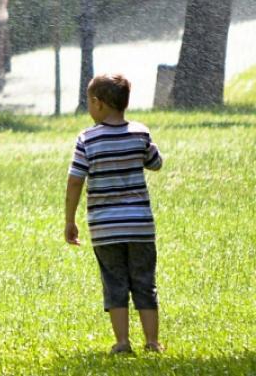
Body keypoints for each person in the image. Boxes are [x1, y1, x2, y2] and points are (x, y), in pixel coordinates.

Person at [64, 73, 164, 354]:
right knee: (144, 281)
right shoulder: (140, 133)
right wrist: (146, 146)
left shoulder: (87, 139)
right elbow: (156, 163)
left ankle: (122, 342)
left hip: (105, 229)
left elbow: (75, 181)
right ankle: (153, 342)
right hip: (140, 227)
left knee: (115, 283)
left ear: (98, 103)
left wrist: (70, 220)